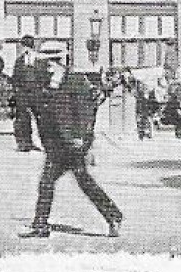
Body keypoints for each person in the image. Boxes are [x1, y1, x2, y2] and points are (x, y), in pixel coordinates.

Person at [23, 52, 123, 239]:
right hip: (58, 144)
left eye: (53, 62)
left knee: (72, 181)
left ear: (63, 63)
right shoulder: (50, 84)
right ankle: (41, 225)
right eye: (48, 62)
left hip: (73, 143)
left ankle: (113, 216)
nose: (49, 66)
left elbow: (86, 113)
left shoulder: (76, 81)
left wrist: (81, 138)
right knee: (58, 181)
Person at [10, 36, 45, 151]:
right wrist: (17, 91)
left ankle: (44, 143)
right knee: (23, 119)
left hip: (36, 93)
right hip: (23, 94)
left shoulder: (40, 60)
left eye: (27, 47)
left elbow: (45, 77)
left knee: (41, 119)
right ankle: (25, 143)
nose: (25, 50)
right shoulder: (19, 61)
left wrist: (41, 89)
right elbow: (15, 77)